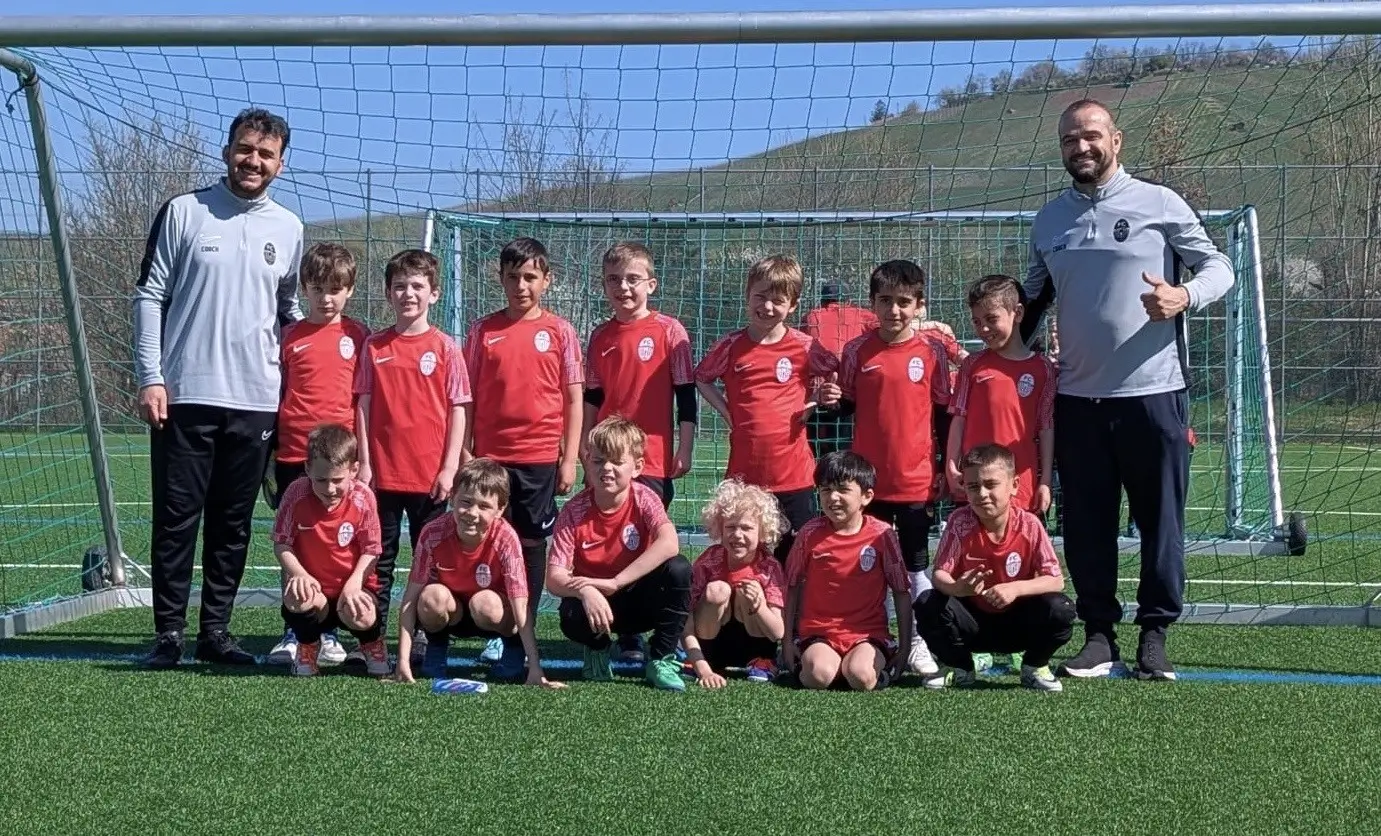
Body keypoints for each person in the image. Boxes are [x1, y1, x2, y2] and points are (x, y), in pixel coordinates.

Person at [1022, 98, 1234, 680]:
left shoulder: (1159, 204)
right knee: (1088, 524)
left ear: (1116, 139)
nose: (1080, 147)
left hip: (1154, 394)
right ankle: (1098, 636)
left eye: (1091, 135)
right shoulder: (1048, 221)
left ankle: (1156, 633)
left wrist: (1183, 296)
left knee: (1160, 520)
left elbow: (1219, 266)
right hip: (1077, 399)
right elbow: (1031, 303)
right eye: (1069, 139)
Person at [133, 107, 303, 668]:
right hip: (184, 395)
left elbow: (290, 313)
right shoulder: (184, 212)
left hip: (256, 400)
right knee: (177, 519)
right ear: (227, 149)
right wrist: (151, 377)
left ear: (281, 163)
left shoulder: (289, 227)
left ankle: (216, 633)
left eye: (266, 154)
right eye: (245, 149)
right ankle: (168, 635)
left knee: (233, 524)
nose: (253, 161)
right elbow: (149, 294)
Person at [817, 259, 948, 677]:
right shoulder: (857, 350)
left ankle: (920, 644)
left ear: (919, 305)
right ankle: (876, 637)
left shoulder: (931, 352)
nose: (894, 310)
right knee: (868, 562)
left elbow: (944, 412)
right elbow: (848, 405)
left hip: (915, 479)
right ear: (872, 304)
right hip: (866, 484)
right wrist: (833, 399)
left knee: (913, 565)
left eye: (904, 302)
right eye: (885, 301)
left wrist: (947, 464)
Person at [464, 236, 584, 679]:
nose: (521, 285)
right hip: (490, 459)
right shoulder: (482, 331)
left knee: (531, 545)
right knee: (491, 540)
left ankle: (523, 629)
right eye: (513, 277)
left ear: (546, 281)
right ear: (500, 279)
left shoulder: (560, 331)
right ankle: (497, 628)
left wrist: (568, 457)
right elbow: (468, 396)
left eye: (530, 277)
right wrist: (466, 449)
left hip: (537, 459)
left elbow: (573, 399)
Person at [583, 241, 697, 664]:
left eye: (632, 279)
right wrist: (584, 444)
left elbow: (686, 397)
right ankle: (618, 628)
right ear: (604, 285)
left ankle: (646, 631)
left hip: (649, 458)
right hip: (605, 459)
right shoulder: (600, 335)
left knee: (645, 543)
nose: (623, 288)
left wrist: (683, 447)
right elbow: (593, 396)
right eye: (614, 280)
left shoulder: (670, 331)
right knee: (611, 540)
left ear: (651, 283)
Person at [354, 249, 472, 656]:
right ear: (388, 293)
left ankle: (426, 635)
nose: (409, 293)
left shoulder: (445, 348)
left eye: (418, 286)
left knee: (431, 560)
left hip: (430, 478)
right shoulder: (374, 346)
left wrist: (449, 467)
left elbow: (458, 409)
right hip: (383, 476)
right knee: (378, 561)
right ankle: (372, 641)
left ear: (434, 294)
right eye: (400, 286)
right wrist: (366, 463)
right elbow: (364, 407)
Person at [266, 242, 371, 667]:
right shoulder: (287, 337)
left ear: (349, 291)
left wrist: (362, 456)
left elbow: (365, 400)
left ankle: (331, 632)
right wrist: (270, 451)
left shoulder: (357, 335)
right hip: (295, 454)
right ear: (304, 290)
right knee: (296, 542)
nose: (326, 299)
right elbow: (275, 395)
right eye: (318, 289)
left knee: (337, 546)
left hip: (341, 463)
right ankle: (296, 627)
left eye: (335, 289)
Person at [695, 255, 838, 564]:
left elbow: (836, 371)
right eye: (760, 297)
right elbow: (702, 378)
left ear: (793, 305)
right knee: (745, 555)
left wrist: (814, 402)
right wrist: (727, 411)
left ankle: (792, 613)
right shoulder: (731, 346)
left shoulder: (804, 345)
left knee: (796, 556)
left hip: (794, 474)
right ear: (748, 295)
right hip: (745, 477)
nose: (768, 307)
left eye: (778, 300)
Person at [545, 417, 692, 691]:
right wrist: (586, 591)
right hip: (597, 607)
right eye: (599, 461)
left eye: (616, 461)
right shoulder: (573, 511)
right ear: (587, 462)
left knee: (679, 569)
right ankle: (598, 647)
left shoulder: (644, 498)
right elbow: (554, 578)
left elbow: (670, 543)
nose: (607, 469)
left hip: (639, 599)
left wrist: (616, 582)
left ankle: (661, 658)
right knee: (570, 609)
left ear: (636, 467)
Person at [917, 443, 1076, 692]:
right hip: (973, 625)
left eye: (990, 484)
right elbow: (939, 575)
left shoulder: (1029, 525)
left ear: (1014, 485)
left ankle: (1034, 666)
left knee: (1061, 609)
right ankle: (959, 668)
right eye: (973, 486)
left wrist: (1014, 589)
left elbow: (1056, 580)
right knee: (927, 602)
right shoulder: (960, 522)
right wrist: (957, 587)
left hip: (1018, 623)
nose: (981, 494)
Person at [392, 458, 563, 688]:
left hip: (490, 613)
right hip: (453, 612)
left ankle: (512, 648)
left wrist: (535, 668)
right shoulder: (433, 533)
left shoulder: (505, 538)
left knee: (486, 603)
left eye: (484, 506)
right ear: (452, 497)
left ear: (500, 509)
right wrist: (402, 661)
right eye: (465, 502)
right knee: (431, 597)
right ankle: (436, 646)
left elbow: (521, 606)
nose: (472, 513)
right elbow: (409, 600)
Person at [783, 451, 912, 692]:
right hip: (819, 633)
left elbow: (901, 591)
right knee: (817, 676)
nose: (833, 497)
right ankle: (822, 665)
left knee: (861, 676)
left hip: (867, 633)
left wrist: (905, 647)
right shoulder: (809, 533)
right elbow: (791, 585)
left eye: (843, 489)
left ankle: (865, 668)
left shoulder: (882, 535)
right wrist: (787, 642)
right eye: (825, 490)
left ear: (866, 496)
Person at [270, 424, 391, 677]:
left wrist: (355, 583)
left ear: (354, 471)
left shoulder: (363, 497)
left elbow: (372, 549)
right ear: (307, 470)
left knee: (365, 614)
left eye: (337, 480)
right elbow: (282, 543)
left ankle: (371, 643)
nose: (329, 489)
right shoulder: (296, 493)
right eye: (321, 480)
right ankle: (307, 647)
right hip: (316, 592)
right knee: (297, 595)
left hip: (352, 588)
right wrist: (299, 574)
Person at [946, 274, 1057, 516]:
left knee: (1019, 551)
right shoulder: (972, 365)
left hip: (1020, 485)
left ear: (1017, 313)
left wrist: (1045, 482)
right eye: (976, 322)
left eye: (991, 319)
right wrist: (951, 466)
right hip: (976, 484)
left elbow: (1045, 427)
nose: (983, 328)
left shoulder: (1043, 368)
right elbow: (959, 419)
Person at [682, 479, 788, 688]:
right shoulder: (708, 561)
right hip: (710, 646)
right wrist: (701, 666)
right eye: (730, 527)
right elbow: (685, 624)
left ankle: (762, 660)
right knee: (717, 590)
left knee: (747, 589)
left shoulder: (769, 567)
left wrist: (760, 606)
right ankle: (707, 658)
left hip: (755, 641)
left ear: (762, 532)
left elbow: (778, 632)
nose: (737, 535)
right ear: (719, 528)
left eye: (747, 528)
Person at [803, 281, 877, 458]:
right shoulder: (861, 314)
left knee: (818, 447)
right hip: (848, 389)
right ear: (849, 300)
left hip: (818, 391)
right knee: (846, 444)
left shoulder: (812, 315)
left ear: (823, 301)